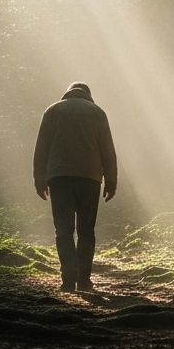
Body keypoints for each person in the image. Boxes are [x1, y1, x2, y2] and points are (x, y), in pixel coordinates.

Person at [33, 82, 118, 292]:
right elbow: (108, 149)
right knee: (86, 231)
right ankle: (84, 280)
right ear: (88, 95)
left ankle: (68, 281)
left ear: (68, 93)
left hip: (59, 177)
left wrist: (39, 179)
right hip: (90, 178)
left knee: (63, 230)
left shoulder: (52, 111)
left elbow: (41, 148)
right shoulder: (97, 112)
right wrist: (111, 181)